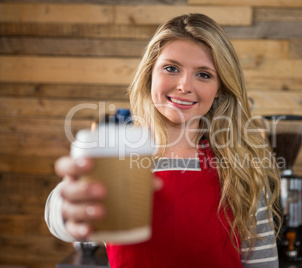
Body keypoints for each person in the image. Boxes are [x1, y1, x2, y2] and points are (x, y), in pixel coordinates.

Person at [45, 13, 281, 267]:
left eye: (203, 74)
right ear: (150, 73)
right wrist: (69, 207)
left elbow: (262, 262)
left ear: (220, 87)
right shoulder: (118, 155)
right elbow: (66, 218)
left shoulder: (240, 166)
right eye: (171, 68)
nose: (184, 85)